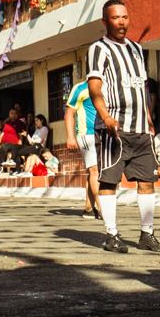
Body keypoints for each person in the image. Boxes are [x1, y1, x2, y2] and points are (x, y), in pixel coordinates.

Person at [87, 0, 160, 253]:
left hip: (140, 128)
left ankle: (147, 234)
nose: (122, 22)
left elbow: (141, 86)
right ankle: (112, 235)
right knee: (109, 181)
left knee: (147, 181)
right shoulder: (98, 49)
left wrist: (150, 119)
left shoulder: (136, 49)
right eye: (115, 18)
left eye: (125, 17)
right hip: (114, 128)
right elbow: (95, 87)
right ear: (105, 21)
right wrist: (106, 116)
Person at [64, 74, 101, 219]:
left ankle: (89, 207)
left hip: (104, 134)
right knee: (95, 171)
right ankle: (103, 209)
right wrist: (70, 136)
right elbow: (69, 113)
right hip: (86, 135)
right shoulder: (80, 88)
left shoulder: (107, 87)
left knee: (95, 172)